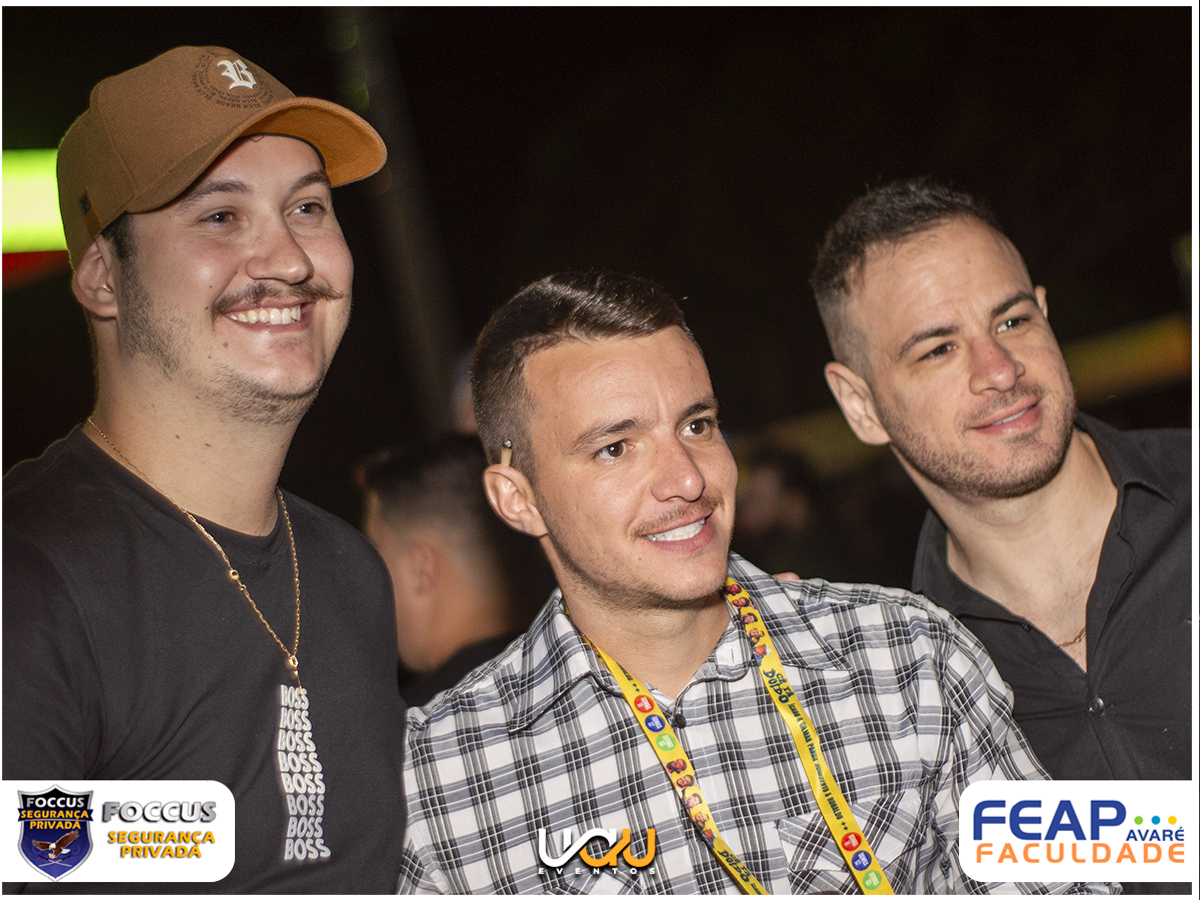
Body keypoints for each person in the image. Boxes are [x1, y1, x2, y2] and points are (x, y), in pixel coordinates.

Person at [398, 271, 1105, 894]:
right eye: (616, 448)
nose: (687, 479)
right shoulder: (439, 778)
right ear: (517, 499)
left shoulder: (908, 655)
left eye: (697, 426)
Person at [3, 46, 405, 891]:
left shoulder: (350, 573)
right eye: (220, 216)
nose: (288, 260)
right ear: (104, 277)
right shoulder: (28, 575)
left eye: (307, 207)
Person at [812, 179, 1189, 890]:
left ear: (1046, 313)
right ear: (860, 404)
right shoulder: (896, 684)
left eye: (1012, 321)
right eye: (937, 350)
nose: (999, 370)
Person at [357, 434, 550, 706]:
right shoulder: (586, 675)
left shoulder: (416, 726)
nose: (365, 583)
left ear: (421, 568)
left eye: (377, 555)